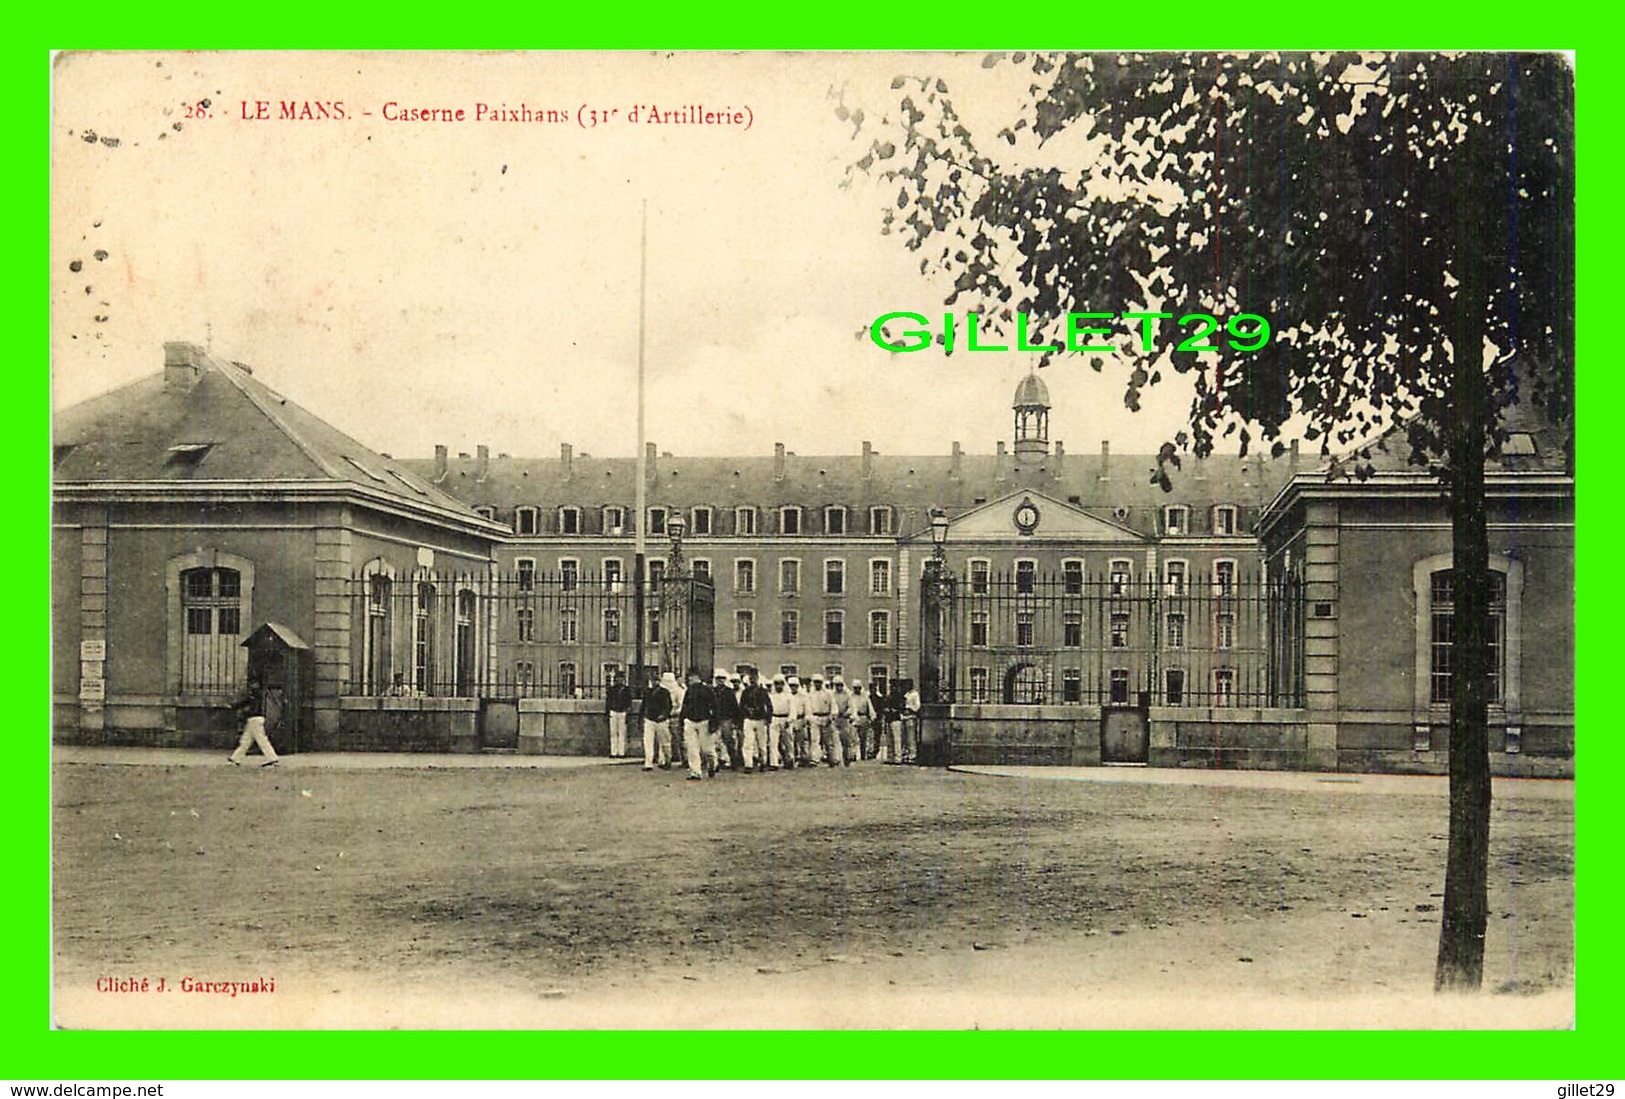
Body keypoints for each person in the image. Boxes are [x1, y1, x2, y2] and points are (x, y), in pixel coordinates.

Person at [228, 676, 281, 768]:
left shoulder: (254, 694)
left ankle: (272, 758)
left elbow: (244, 702)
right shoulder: (258, 694)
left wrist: (234, 705)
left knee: (259, 740)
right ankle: (235, 758)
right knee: (246, 740)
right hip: (255, 719)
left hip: (254, 719)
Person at [678, 667, 716, 781]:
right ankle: (695, 771)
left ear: (697, 677)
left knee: (706, 749)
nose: (689, 680)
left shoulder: (707, 690)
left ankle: (712, 763)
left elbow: (714, 707)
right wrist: (682, 719)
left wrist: (714, 723)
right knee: (692, 748)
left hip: (704, 721)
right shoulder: (689, 691)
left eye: (691, 677)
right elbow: (685, 706)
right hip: (690, 721)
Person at [642, 671, 677, 771]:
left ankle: (664, 760)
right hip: (650, 718)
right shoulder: (648, 692)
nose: (654, 682)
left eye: (656, 680)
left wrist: (664, 715)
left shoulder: (664, 692)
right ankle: (648, 763)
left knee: (664, 742)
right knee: (648, 741)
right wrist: (643, 716)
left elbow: (668, 706)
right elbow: (644, 705)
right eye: (653, 681)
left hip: (661, 720)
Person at [740, 668, 772, 773]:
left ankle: (763, 762)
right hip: (749, 719)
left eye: (754, 677)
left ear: (758, 678)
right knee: (748, 743)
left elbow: (769, 706)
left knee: (762, 743)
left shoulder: (763, 691)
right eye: (751, 678)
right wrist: (745, 714)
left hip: (760, 719)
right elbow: (741, 706)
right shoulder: (745, 692)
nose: (752, 679)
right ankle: (748, 764)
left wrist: (768, 718)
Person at [712, 668, 741, 772]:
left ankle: (734, 761)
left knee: (728, 740)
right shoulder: (712, 691)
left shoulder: (729, 692)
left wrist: (735, 720)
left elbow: (734, 707)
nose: (720, 681)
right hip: (715, 718)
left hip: (726, 718)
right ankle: (718, 761)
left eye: (722, 679)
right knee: (715, 742)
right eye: (718, 679)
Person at [805, 674, 832, 766]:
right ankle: (815, 759)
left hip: (826, 717)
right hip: (815, 717)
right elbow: (808, 707)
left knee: (827, 740)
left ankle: (831, 757)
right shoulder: (810, 695)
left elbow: (833, 706)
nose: (817, 684)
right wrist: (809, 717)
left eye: (819, 682)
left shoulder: (828, 694)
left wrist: (831, 717)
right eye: (816, 682)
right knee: (814, 739)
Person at [606, 671, 632, 758]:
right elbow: (608, 702)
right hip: (613, 711)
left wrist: (627, 711)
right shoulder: (612, 689)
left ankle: (621, 752)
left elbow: (629, 702)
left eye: (621, 678)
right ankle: (613, 752)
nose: (619, 680)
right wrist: (607, 712)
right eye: (618, 678)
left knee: (622, 732)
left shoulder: (626, 690)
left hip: (622, 712)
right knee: (613, 732)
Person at [769, 673, 793, 771]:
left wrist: (790, 719)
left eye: (780, 684)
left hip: (786, 719)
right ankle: (774, 763)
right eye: (776, 684)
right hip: (774, 719)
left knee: (788, 742)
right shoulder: (771, 696)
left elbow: (793, 709)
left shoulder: (789, 696)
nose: (779, 686)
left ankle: (790, 759)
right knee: (773, 742)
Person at [848, 679, 875, 763]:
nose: (857, 689)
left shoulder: (865, 696)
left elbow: (870, 708)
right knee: (853, 738)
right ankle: (853, 754)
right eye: (855, 688)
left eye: (858, 688)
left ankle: (863, 754)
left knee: (863, 738)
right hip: (854, 718)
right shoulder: (851, 697)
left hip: (863, 717)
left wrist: (872, 716)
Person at [827, 675, 851, 767]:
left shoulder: (847, 694)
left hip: (844, 719)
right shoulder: (832, 694)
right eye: (836, 685)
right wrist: (832, 715)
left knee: (845, 740)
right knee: (834, 739)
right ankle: (836, 759)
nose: (838, 687)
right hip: (835, 718)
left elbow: (851, 706)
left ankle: (847, 758)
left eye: (840, 685)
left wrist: (846, 713)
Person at [785, 675, 808, 769]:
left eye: (795, 685)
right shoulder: (786, 695)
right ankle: (791, 759)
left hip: (800, 719)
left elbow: (807, 708)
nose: (793, 688)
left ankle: (804, 758)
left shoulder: (803, 696)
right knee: (790, 741)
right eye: (791, 685)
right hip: (789, 720)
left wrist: (806, 719)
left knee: (802, 740)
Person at [902, 679, 923, 764]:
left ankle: (912, 755)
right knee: (905, 738)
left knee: (911, 737)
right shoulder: (906, 694)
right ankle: (906, 754)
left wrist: (910, 708)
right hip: (904, 717)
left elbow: (917, 706)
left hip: (911, 717)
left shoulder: (915, 694)